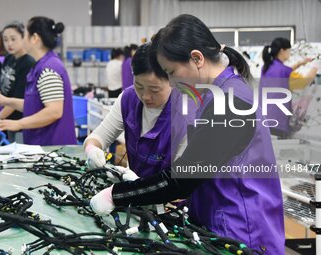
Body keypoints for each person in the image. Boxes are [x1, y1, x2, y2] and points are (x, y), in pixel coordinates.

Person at [90, 14, 285, 254]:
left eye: (171, 72)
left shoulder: (230, 101)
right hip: (219, 222)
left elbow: (181, 179)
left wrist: (115, 195)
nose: (171, 82)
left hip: (242, 230)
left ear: (197, 58)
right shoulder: (213, 94)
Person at [84, 42, 193, 181]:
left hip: (171, 200)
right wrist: (92, 149)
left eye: (154, 89)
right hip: (132, 195)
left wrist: (138, 187)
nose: (146, 96)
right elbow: (98, 137)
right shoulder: (128, 99)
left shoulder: (187, 116)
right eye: (139, 86)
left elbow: (181, 181)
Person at [0, 16, 77, 146]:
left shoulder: (49, 69)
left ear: (34, 38)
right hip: (43, 147)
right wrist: (4, 100)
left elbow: (54, 111)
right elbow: (33, 105)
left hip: (53, 148)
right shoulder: (40, 66)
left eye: (24, 35)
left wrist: (18, 123)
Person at [259, 37, 320, 139]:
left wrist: (300, 64)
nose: (290, 53)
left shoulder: (267, 67)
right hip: (278, 123)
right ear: (282, 51)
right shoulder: (284, 72)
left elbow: (283, 72)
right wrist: (316, 66)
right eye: (289, 50)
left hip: (265, 120)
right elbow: (304, 82)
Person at [0, 22, 35, 143]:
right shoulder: (9, 58)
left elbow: (17, 97)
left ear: (23, 37)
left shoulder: (27, 63)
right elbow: (0, 88)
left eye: (13, 39)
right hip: (5, 119)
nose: (9, 43)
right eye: (6, 40)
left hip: (20, 122)